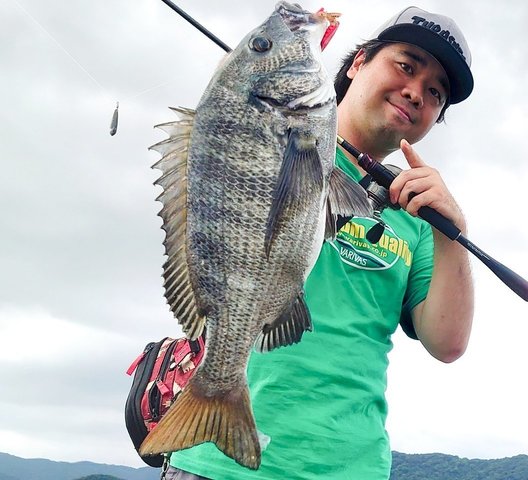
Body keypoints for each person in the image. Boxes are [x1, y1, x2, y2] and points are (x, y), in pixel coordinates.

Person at [165, 6, 474, 480]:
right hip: (215, 468)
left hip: (352, 467)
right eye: (406, 66)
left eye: (436, 93)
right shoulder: (272, 135)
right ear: (358, 63)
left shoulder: (418, 214)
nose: (416, 91)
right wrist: (265, 64)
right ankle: (217, 396)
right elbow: (219, 158)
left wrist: (454, 233)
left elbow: (448, 344)